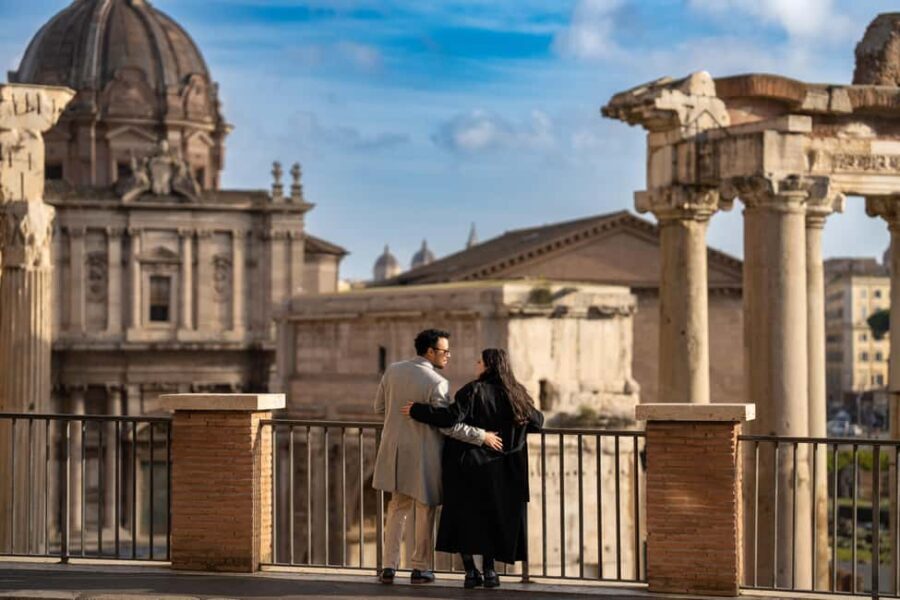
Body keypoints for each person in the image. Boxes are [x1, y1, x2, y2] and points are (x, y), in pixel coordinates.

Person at [402, 348, 543, 589]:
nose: (475, 365)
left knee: (463, 518)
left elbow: (450, 417)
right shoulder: (516, 394)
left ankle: (470, 573)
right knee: (490, 517)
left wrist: (417, 410)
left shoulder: (472, 390)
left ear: (488, 365)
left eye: (479, 361)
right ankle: (489, 572)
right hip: (501, 469)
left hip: (468, 465)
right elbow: (537, 422)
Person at [372, 329, 503, 585]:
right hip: (424, 454)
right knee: (425, 509)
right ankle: (419, 568)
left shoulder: (393, 370)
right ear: (430, 351)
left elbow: (379, 407)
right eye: (444, 351)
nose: (449, 356)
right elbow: (447, 424)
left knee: (397, 508)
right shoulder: (437, 382)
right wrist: (481, 436)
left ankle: (389, 566)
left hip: (394, 452)